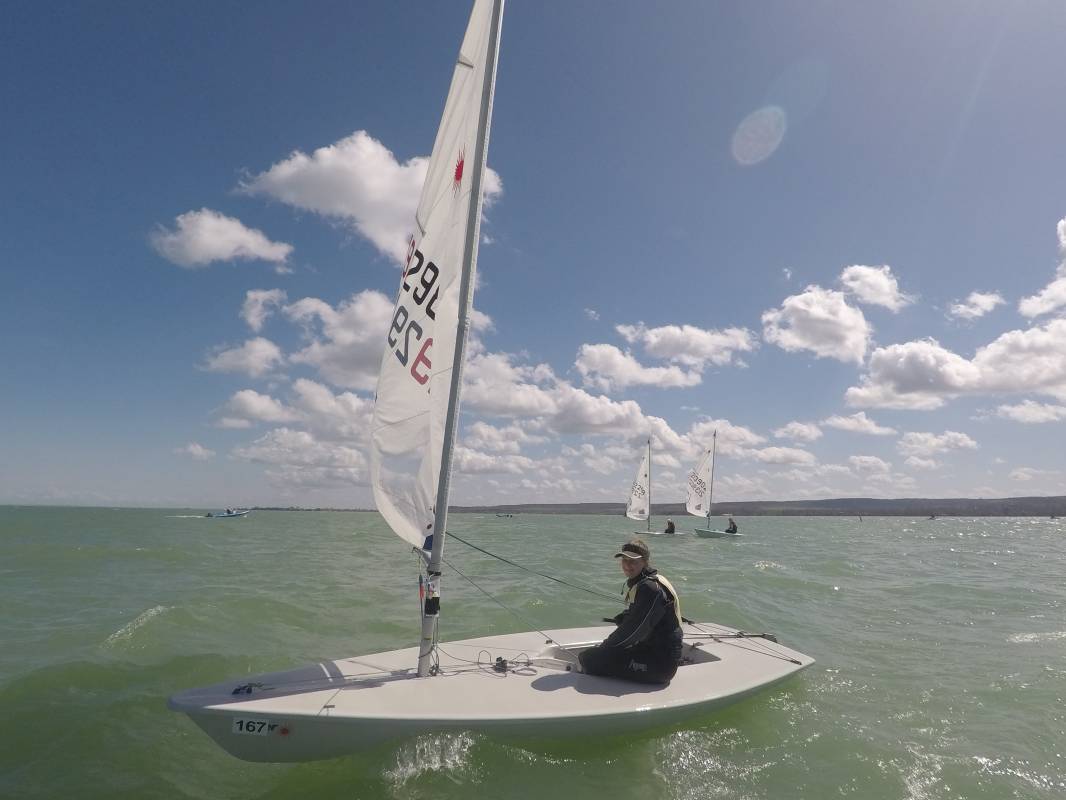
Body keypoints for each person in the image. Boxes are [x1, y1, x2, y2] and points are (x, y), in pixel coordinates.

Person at [578, 538, 683, 685]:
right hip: (651, 650)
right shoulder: (652, 580)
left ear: (644, 562)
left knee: (589, 659)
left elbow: (631, 633)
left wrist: (604, 649)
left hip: (660, 665)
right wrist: (626, 617)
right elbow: (649, 616)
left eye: (633, 561)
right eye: (624, 560)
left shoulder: (649, 588)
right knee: (600, 654)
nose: (627, 565)